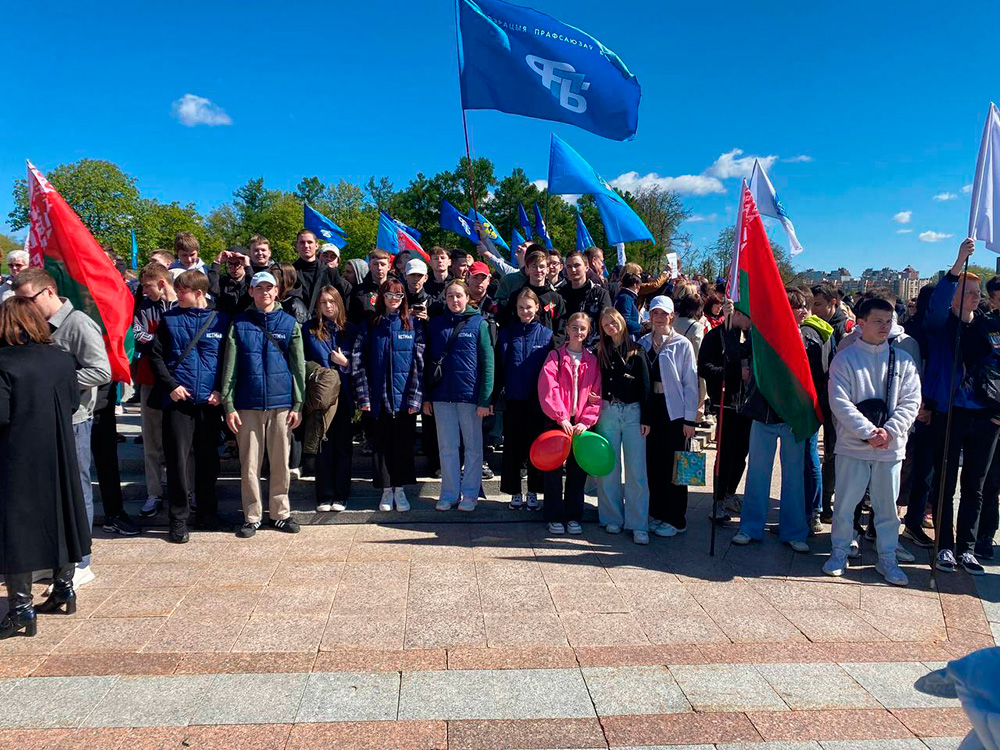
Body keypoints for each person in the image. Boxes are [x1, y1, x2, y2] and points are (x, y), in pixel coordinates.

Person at [13, 267, 111, 587]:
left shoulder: (78, 324)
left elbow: (101, 371)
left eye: (27, 299)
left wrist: (55, 383)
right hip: (44, 421)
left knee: (77, 490)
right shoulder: (35, 325)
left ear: (49, 293)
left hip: (74, 420)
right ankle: (54, 559)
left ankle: (81, 561)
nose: (23, 306)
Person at [0, 298, 92, 639]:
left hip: (17, 453)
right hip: (58, 448)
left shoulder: (3, 361)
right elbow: (70, 404)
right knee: (62, 514)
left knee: (16, 525)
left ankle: (21, 607)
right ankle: (64, 587)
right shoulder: (61, 359)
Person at [823, 297, 921, 585]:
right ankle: (839, 551)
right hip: (853, 446)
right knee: (845, 503)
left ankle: (887, 558)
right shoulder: (845, 358)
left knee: (887, 506)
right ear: (861, 323)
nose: (884, 326)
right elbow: (839, 402)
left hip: (890, 447)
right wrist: (868, 432)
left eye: (888, 321)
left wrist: (890, 431)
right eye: (878, 321)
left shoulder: (902, 359)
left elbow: (911, 401)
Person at [919, 239, 998, 575]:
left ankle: (967, 548)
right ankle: (945, 546)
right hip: (950, 412)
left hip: (985, 416)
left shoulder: (987, 326)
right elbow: (935, 307)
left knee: (975, 486)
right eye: (967, 292)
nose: (975, 298)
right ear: (953, 296)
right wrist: (957, 264)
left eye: (977, 293)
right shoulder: (941, 327)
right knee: (946, 480)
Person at [222, 271, 306, 538]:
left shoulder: (289, 323)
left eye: (269, 288)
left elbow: (298, 367)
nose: (265, 293)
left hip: (281, 403)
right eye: (260, 288)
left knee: (281, 461)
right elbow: (230, 368)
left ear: (277, 290)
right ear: (251, 292)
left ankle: (280, 513)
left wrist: (298, 403)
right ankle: (252, 515)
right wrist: (228, 405)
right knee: (250, 463)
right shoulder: (240, 323)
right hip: (248, 404)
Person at [148, 270, 230, 542]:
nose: (176, 294)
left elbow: (227, 361)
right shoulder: (169, 320)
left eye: (181, 290)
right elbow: (156, 357)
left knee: (208, 461)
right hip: (179, 402)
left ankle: (207, 513)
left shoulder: (220, 320)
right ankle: (178, 519)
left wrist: (220, 390)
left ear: (198, 293)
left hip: (209, 403)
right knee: (178, 462)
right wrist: (170, 386)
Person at [731, 315, 811, 554]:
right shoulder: (760, 336)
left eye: (798, 309)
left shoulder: (808, 338)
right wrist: (729, 326)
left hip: (792, 419)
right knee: (757, 473)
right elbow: (735, 355)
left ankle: (794, 531)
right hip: (763, 415)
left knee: (794, 476)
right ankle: (750, 527)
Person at [352, 278, 425, 511]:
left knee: (403, 445)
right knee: (381, 446)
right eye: (390, 295)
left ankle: (400, 489)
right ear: (382, 297)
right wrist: (363, 396)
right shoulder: (371, 324)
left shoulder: (412, 325)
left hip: (405, 398)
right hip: (379, 397)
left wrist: (415, 397)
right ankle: (385, 490)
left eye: (399, 295)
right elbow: (357, 359)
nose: (394, 300)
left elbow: (419, 362)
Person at [422, 279, 494, 512]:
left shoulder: (479, 324)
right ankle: (449, 493)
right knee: (447, 448)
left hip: (469, 397)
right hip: (442, 396)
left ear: (467, 297)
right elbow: (427, 363)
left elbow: (487, 363)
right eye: (450, 296)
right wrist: (427, 396)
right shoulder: (436, 324)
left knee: (473, 448)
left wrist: (485, 399)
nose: (454, 300)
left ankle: (471, 494)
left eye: (458, 296)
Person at [538, 312, 602, 534]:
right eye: (575, 327)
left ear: (588, 332)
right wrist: (561, 416)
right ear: (567, 329)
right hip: (559, 421)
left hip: (580, 425)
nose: (578, 332)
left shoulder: (592, 361)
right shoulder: (555, 356)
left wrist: (586, 421)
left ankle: (574, 515)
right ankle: (554, 515)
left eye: (583, 328)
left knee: (577, 470)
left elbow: (596, 393)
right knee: (553, 469)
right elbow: (548, 388)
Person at [641, 296, 699, 537]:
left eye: (664, 313)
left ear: (672, 316)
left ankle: (676, 518)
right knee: (653, 463)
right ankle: (657, 512)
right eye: (655, 313)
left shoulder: (682, 344)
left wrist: (690, 419)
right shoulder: (643, 342)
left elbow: (690, 382)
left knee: (676, 465)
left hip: (674, 411)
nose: (659, 317)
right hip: (652, 408)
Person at [594, 307, 651, 544]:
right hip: (609, 411)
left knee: (637, 470)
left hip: (633, 412)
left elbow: (646, 386)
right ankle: (612, 518)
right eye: (605, 324)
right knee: (609, 468)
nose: (610, 326)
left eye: (613, 322)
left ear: (622, 322)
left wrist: (647, 418)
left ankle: (638, 523)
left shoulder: (638, 351)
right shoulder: (601, 351)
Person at [497, 288, 553, 510]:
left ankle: (533, 491)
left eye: (529, 307)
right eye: (521, 308)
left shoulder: (547, 335)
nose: (525, 311)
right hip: (514, 398)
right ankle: (513, 492)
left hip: (537, 402)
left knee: (536, 448)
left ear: (537, 308)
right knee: (512, 448)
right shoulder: (507, 333)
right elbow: (501, 365)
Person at [132, 262, 178, 518]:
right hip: (150, 380)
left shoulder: (182, 304)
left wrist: (158, 340)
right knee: (152, 441)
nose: (145, 291)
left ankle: (187, 490)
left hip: (179, 381)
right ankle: (154, 492)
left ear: (161, 283)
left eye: (148, 287)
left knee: (184, 442)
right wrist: (161, 341)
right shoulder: (145, 307)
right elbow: (138, 334)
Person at [698, 300, 753, 516]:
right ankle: (718, 499)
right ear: (736, 314)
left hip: (747, 405)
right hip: (726, 403)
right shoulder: (715, 336)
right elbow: (704, 367)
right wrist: (733, 374)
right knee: (726, 453)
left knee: (741, 453)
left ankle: (731, 492)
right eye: (747, 316)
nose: (750, 321)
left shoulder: (750, 337)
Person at [303, 286, 354, 512]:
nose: (328, 306)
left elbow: (364, 364)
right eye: (323, 302)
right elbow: (301, 360)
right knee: (323, 445)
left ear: (339, 303)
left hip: (344, 396)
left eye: (332, 301)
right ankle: (324, 495)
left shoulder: (351, 330)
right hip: (320, 398)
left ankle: (341, 495)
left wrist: (347, 364)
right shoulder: (309, 329)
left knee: (342, 447)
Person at [791, 288, 833, 534]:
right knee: (809, 458)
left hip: (806, 404)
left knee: (807, 459)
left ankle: (810, 513)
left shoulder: (807, 334)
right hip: (816, 402)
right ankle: (813, 511)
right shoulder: (822, 329)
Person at [811, 282, 850, 521]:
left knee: (834, 453)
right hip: (816, 396)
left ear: (832, 303)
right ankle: (817, 503)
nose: (813, 309)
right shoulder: (814, 325)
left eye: (818, 304)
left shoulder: (845, 327)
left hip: (837, 399)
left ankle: (826, 503)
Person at [559, 251, 611, 350]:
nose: (573, 270)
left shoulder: (600, 294)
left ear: (586, 267)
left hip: (593, 350)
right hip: (565, 350)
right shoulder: (560, 295)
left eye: (577, 265)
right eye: (569, 267)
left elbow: (606, 323)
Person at [292, 229, 352, 315]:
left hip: (323, 324)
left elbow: (341, 302)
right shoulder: (291, 272)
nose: (306, 246)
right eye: (302, 242)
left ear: (316, 245)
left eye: (310, 242)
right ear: (297, 245)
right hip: (297, 323)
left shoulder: (330, 273)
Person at [170, 232, 221, 301]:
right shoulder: (170, 270)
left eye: (192, 254)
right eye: (184, 255)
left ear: (197, 251)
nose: (189, 259)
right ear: (177, 253)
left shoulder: (207, 271)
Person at [350, 249, 392, 325]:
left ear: (389, 266)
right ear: (369, 265)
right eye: (375, 264)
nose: (379, 268)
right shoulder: (358, 291)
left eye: (383, 264)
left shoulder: (396, 289)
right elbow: (353, 319)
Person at [215, 247, 251, 315]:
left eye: (237, 264)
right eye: (230, 264)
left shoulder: (249, 281)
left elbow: (254, 289)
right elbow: (212, 288)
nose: (233, 268)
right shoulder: (222, 282)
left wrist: (248, 267)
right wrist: (217, 262)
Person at [613, 271, 642, 341]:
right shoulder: (626, 298)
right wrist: (641, 327)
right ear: (635, 285)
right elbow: (625, 320)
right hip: (628, 337)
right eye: (639, 285)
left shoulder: (624, 296)